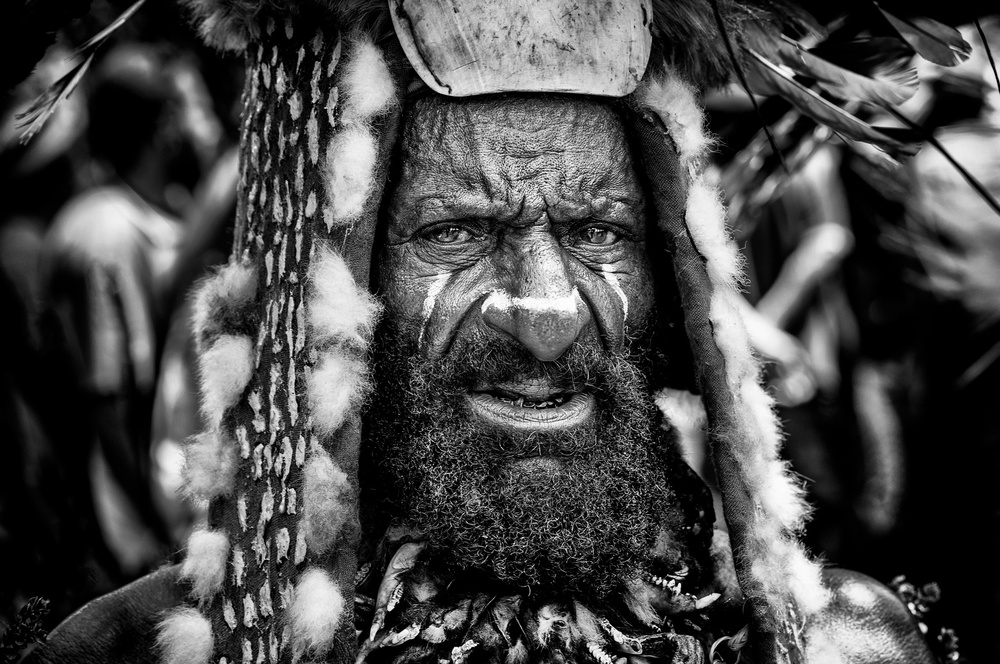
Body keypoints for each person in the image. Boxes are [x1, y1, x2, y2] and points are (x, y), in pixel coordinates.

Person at [25, 1, 960, 663]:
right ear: (343, 281)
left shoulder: (849, 648)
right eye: (456, 232)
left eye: (598, 232)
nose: (547, 314)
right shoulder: (133, 653)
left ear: (674, 281)